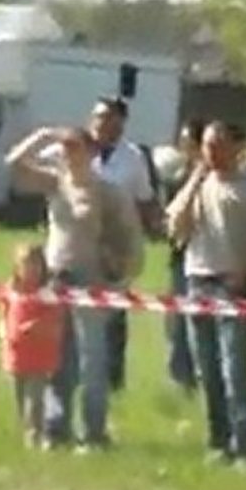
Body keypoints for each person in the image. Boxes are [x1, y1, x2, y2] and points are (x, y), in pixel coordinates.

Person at [7, 126, 143, 452]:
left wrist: (122, 277)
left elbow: (131, 240)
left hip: (93, 281)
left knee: (91, 359)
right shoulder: (56, 184)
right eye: (64, 147)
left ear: (92, 151)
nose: (67, 153)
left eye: (75, 146)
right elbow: (13, 165)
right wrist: (43, 136)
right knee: (57, 357)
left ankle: (94, 433)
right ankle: (56, 429)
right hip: (56, 279)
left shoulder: (109, 193)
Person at [165, 121, 246, 467]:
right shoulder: (200, 183)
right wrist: (195, 181)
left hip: (234, 285)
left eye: (218, 145)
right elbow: (175, 227)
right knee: (207, 368)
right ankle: (219, 440)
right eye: (206, 146)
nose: (211, 153)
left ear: (236, 147)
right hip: (197, 279)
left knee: (234, 367)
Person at [88, 96, 157, 393]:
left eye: (111, 119)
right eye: (99, 117)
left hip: (116, 245)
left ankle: (113, 378)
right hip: (80, 242)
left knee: (113, 314)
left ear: (121, 124)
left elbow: (144, 199)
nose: (103, 124)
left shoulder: (133, 158)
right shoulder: (77, 149)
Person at [0, 243, 65, 449]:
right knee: (20, 396)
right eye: (26, 265)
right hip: (16, 354)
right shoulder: (10, 291)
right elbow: (4, 311)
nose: (31, 270)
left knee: (35, 398)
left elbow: (56, 320)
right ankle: (27, 430)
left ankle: (37, 434)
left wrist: (38, 326)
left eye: (36, 265)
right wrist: (3, 330)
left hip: (39, 355)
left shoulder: (47, 294)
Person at [157, 120, 205, 391]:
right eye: (184, 144)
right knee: (175, 320)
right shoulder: (176, 178)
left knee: (197, 320)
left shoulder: (212, 177)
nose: (186, 149)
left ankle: (201, 375)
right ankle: (179, 375)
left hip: (205, 257)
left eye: (191, 144)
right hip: (180, 256)